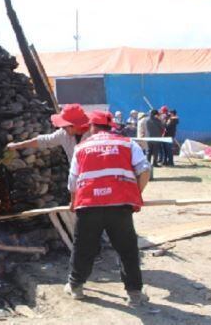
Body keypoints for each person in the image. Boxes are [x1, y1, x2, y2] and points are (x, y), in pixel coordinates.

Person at [64, 110, 151, 307]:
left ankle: (76, 287)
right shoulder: (128, 143)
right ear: (110, 126)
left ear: (92, 127)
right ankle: (135, 294)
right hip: (119, 205)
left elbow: (73, 180)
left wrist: (73, 201)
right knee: (127, 249)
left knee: (83, 247)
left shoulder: (81, 147)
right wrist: (136, 195)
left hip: (89, 205)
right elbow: (144, 170)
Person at [7, 104, 90, 163]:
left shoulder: (95, 135)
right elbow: (43, 141)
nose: (62, 129)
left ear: (74, 125)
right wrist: (17, 145)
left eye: (64, 127)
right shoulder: (63, 134)